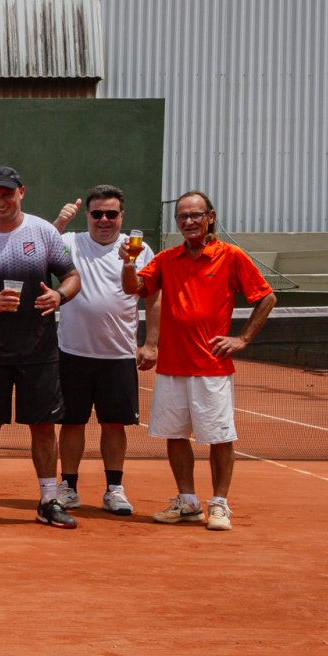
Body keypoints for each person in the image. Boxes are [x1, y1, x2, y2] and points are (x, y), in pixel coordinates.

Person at [123, 191, 275, 532]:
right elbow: (134, 289)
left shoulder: (230, 256)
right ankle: (188, 501)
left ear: (210, 217)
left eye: (195, 215)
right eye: (182, 217)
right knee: (175, 436)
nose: (188, 222)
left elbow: (266, 297)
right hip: (171, 367)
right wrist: (127, 262)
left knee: (220, 438)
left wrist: (243, 339)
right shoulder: (166, 259)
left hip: (211, 368)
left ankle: (219, 503)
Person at [0, 166, 81, 528]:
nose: (1, 200)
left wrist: (59, 295)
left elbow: (71, 277)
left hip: (39, 351)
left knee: (43, 428)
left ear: (21, 192)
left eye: (7, 193)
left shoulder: (43, 233)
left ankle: (49, 501)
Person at [51, 185, 156, 516]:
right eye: (97, 214)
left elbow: (151, 297)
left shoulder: (138, 250)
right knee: (72, 423)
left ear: (122, 217)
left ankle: (114, 489)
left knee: (115, 425)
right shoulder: (70, 242)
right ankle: (67, 486)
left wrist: (151, 343)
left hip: (118, 355)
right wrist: (58, 223)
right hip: (72, 353)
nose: (104, 220)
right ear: (88, 216)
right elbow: (36, 251)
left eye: (112, 214)